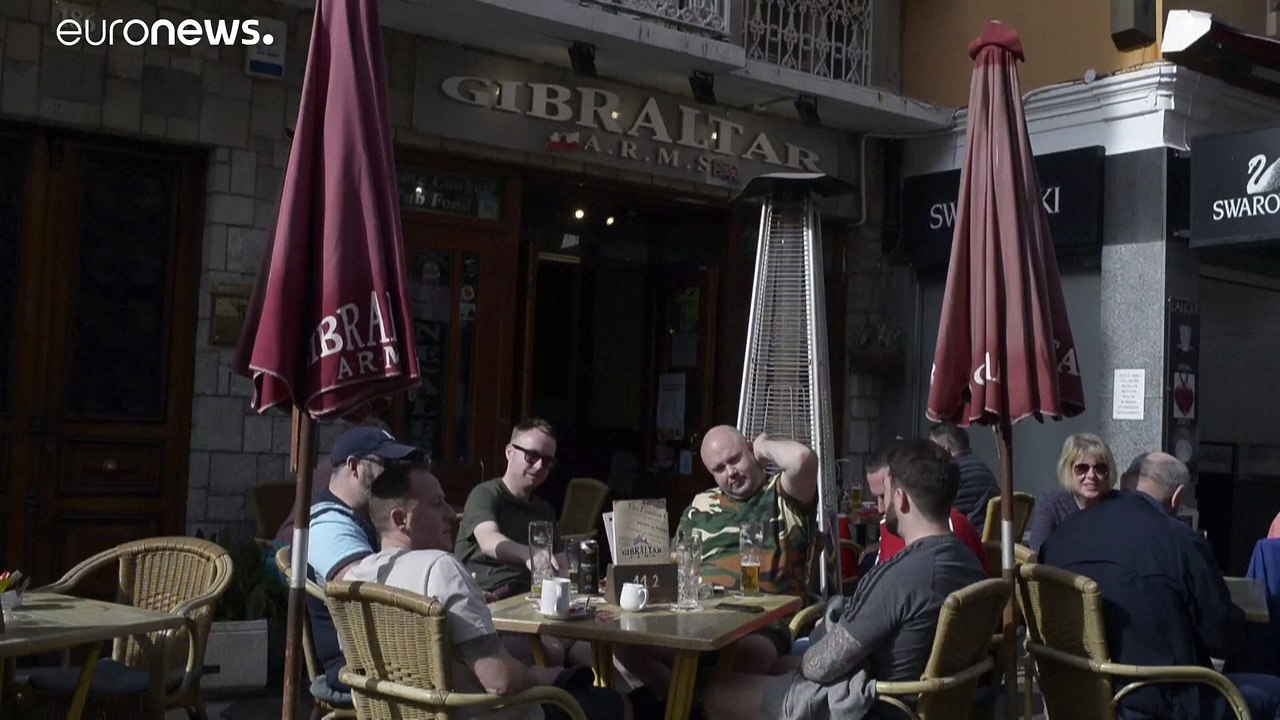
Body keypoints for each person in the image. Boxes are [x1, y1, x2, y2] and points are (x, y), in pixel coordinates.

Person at [701, 438, 987, 719]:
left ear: (900, 498)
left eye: (883, 495)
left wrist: (824, 629)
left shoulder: (903, 576)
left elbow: (818, 667)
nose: (879, 506)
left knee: (716, 692)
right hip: (920, 700)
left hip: (878, 708)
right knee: (776, 666)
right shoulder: (968, 562)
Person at [345, 463, 633, 720]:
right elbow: (500, 679)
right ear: (400, 520)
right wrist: (541, 677)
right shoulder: (440, 569)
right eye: (436, 504)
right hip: (491, 712)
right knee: (616, 703)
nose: (451, 513)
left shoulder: (355, 581)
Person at [1041, 452, 1280, 720]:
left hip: (1074, 698)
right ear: (1177, 497)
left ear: (1125, 482)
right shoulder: (1182, 543)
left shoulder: (1060, 537)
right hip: (1161, 703)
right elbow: (1223, 640)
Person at [306, 426, 422, 699]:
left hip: (385, 655)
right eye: (386, 465)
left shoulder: (362, 517)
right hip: (357, 666)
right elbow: (366, 592)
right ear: (354, 467)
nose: (395, 475)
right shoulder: (328, 525)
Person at [455, 418, 561, 599]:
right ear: (509, 452)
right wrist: (530, 553)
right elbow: (489, 541)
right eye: (532, 456)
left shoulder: (544, 510)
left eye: (547, 461)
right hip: (487, 598)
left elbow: (561, 562)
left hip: (530, 598)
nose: (539, 466)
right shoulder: (485, 494)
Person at [865, 440, 989, 575]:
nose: (880, 508)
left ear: (901, 495)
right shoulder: (890, 526)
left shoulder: (953, 526)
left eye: (884, 495)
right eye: (875, 498)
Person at [1024, 432, 1117, 551]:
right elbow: (1038, 552)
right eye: (1082, 468)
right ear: (1068, 470)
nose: (1091, 475)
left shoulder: (1117, 505)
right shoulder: (1053, 505)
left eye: (1099, 468)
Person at [928, 423, 999, 534]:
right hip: (984, 539)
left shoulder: (951, 474)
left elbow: (930, 510)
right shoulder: (984, 469)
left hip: (965, 540)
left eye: (931, 450)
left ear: (945, 450)